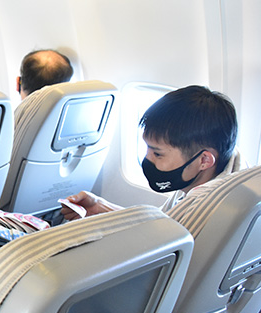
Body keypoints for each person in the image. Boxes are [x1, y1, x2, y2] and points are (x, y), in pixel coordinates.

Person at [61, 85, 239, 221]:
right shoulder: (206, 179)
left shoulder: (205, 210)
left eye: (158, 154)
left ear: (204, 160)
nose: (147, 158)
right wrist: (101, 207)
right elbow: (161, 223)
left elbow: (161, 239)